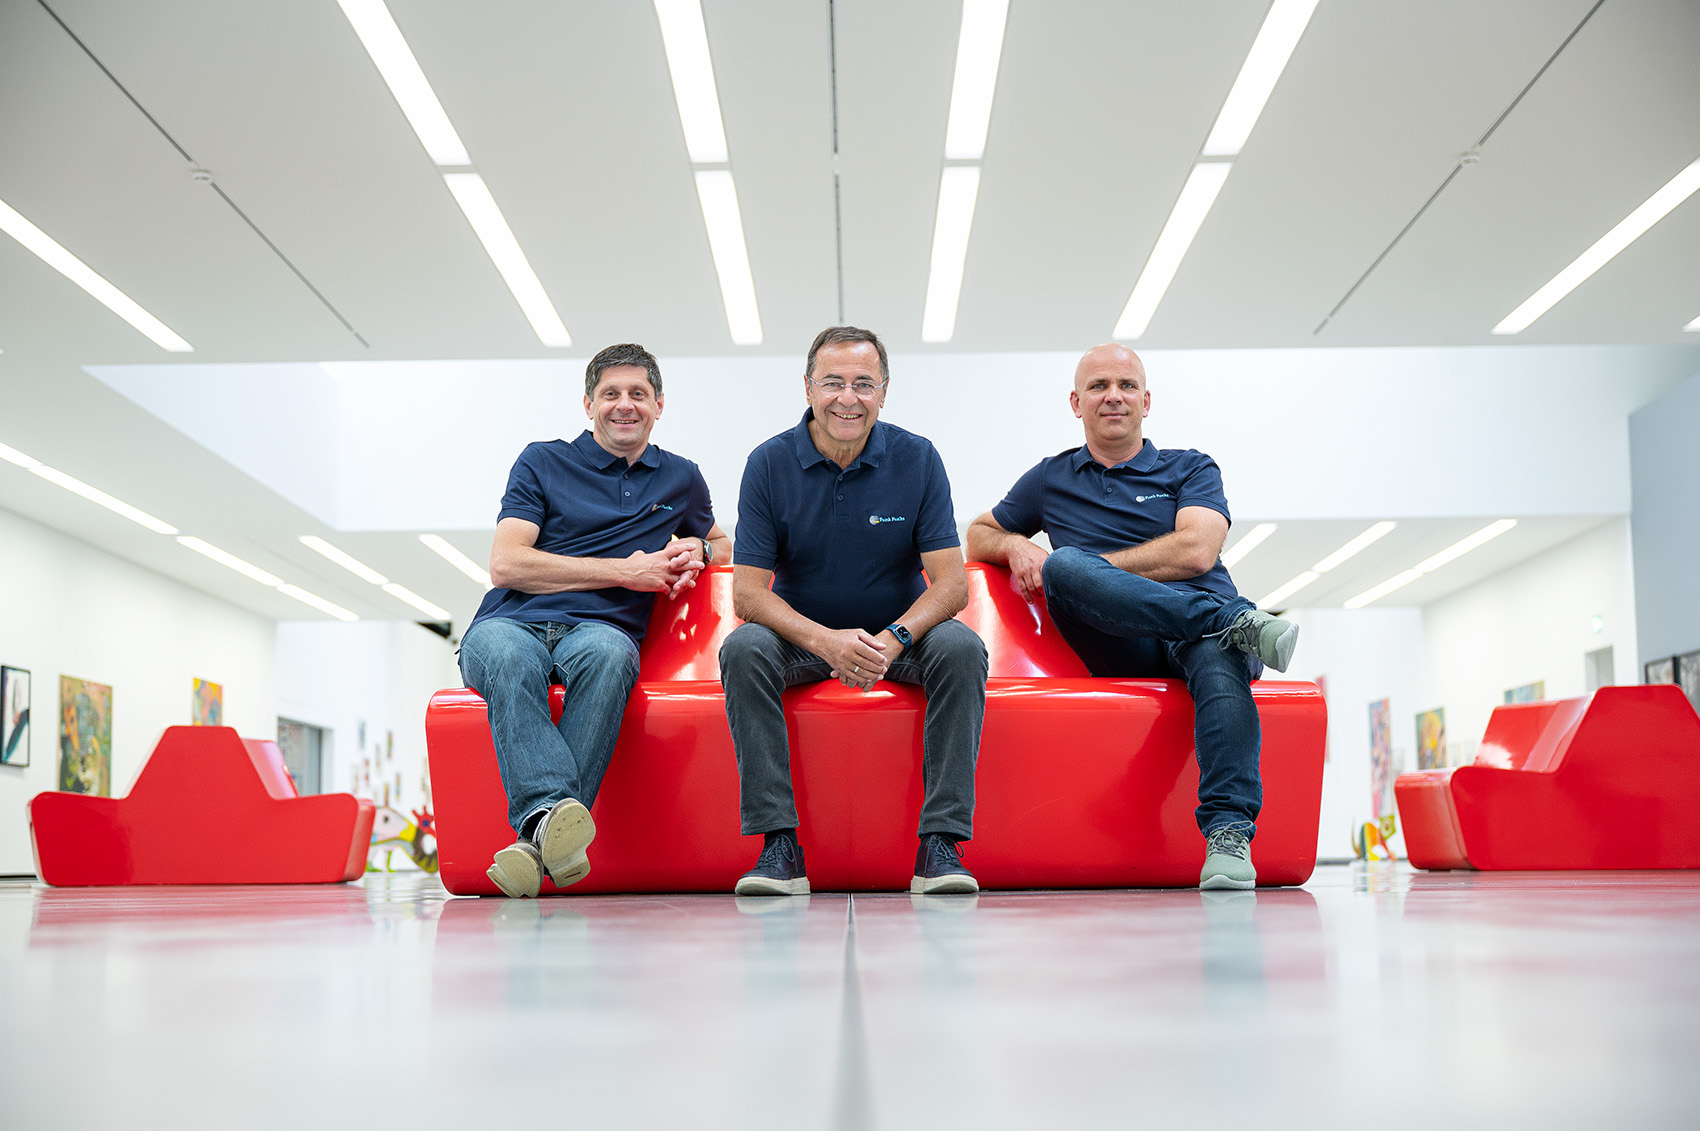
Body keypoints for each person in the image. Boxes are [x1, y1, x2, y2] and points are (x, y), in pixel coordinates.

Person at [965, 343, 1297, 890]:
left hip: (1198, 638)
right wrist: (1015, 545)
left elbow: (1197, 551)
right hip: (1122, 641)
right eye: (1098, 386)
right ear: (1076, 403)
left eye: (1126, 385)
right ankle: (1231, 620)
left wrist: (1094, 571)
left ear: (1147, 401)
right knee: (1065, 566)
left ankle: (1228, 834)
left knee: (1213, 653)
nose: (1113, 396)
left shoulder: (1191, 466)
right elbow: (978, 533)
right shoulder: (1050, 478)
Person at [720, 326, 988, 896]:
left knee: (962, 647)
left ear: (884, 391)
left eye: (864, 384)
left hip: (898, 639)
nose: (848, 398)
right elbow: (748, 595)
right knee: (743, 648)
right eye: (833, 382)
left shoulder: (918, 458)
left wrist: (893, 638)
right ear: (808, 388)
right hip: (802, 641)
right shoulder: (767, 463)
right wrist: (827, 642)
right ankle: (778, 847)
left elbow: (951, 584)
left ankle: (941, 846)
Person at [459, 343, 731, 898]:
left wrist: (699, 551)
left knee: (611, 655)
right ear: (588, 404)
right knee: (510, 657)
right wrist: (625, 572)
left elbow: (723, 542)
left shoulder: (681, 478)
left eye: (638, 394)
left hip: (601, 633)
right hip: (511, 621)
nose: (624, 405)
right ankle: (548, 827)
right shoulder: (542, 461)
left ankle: (533, 840)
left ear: (659, 405)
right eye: (610, 394)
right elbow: (507, 564)